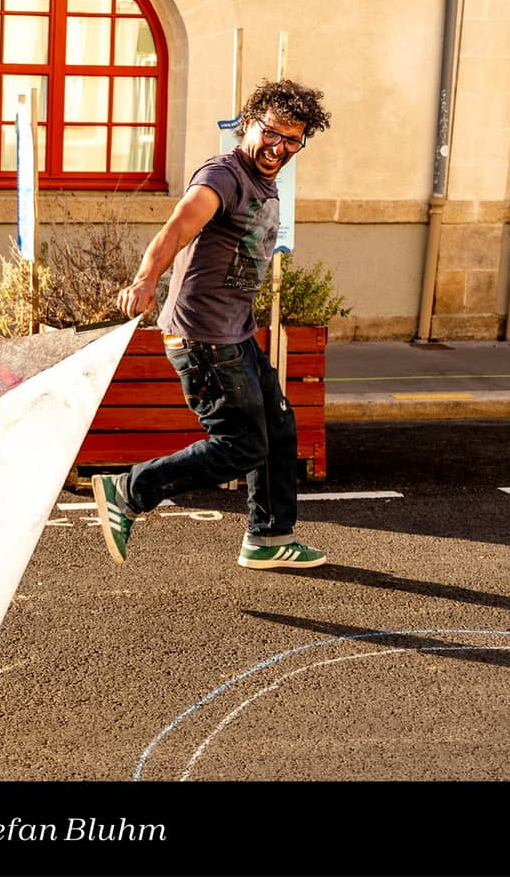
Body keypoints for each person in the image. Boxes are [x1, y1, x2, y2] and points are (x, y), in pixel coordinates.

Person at [90, 78, 332, 571]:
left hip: (234, 332)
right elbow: (177, 227)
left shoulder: (264, 181)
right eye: (271, 132)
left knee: (279, 428)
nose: (278, 148)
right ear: (249, 124)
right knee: (241, 444)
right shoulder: (222, 176)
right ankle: (129, 491)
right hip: (203, 338)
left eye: (292, 140)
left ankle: (268, 537)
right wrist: (143, 281)